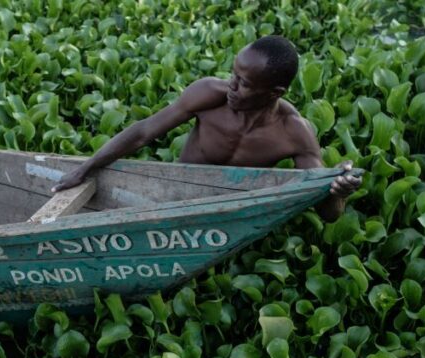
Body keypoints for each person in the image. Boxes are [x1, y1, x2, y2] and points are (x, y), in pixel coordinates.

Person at [52, 35, 362, 222]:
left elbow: (328, 214)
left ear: (275, 92)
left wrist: (337, 191)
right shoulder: (209, 94)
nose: (232, 86)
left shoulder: (294, 133)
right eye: (233, 74)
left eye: (244, 84)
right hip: (178, 195)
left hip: (233, 208)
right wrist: (87, 167)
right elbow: (144, 131)